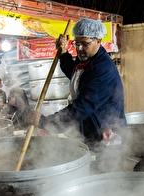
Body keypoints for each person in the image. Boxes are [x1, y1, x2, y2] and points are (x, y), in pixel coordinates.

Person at [29, 18, 127, 173]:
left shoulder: (102, 70)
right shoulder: (88, 61)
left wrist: (46, 122)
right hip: (91, 128)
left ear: (98, 41)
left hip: (107, 136)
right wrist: (63, 54)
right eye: (77, 43)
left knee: (103, 180)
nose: (79, 48)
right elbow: (76, 74)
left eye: (85, 44)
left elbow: (80, 108)